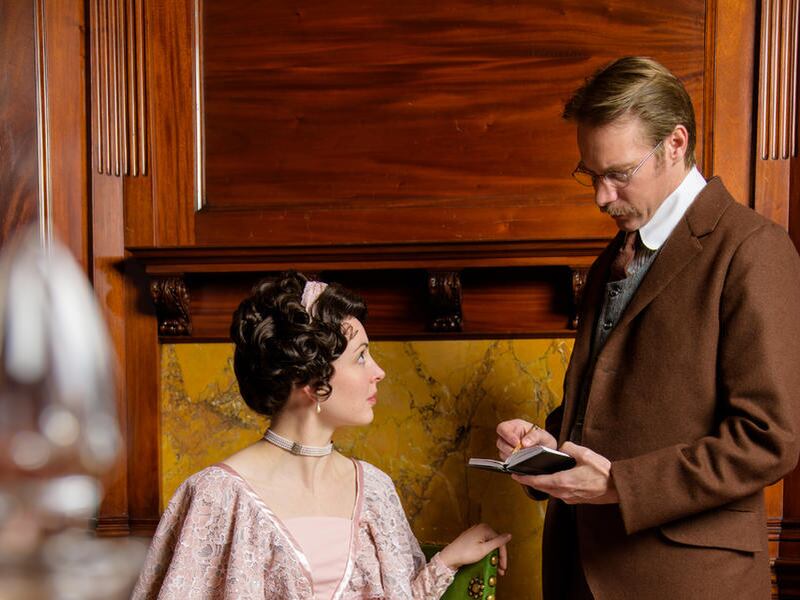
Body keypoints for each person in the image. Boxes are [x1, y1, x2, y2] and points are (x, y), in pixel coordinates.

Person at [496, 56, 800, 599]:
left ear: (675, 144)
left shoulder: (754, 250)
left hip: (691, 583)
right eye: (592, 175)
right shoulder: (611, 259)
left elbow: (768, 439)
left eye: (618, 174)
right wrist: (550, 446)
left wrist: (620, 485)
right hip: (578, 571)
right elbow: (606, 409)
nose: (601, 196)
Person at [133, 271, 510, 600]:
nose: (378, 371)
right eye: (360, 356)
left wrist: (447, 561)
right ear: (310, 379)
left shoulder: (375, 490)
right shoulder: (216, 496)